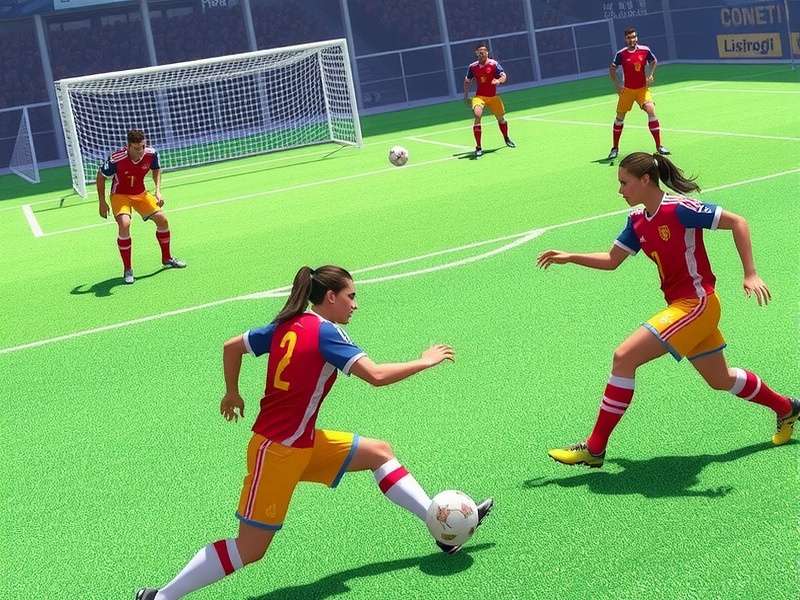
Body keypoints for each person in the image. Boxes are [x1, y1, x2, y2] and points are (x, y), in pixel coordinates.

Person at [136, 265, 493, 600]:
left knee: (379, 452)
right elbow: (377, 376)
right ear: (331, 297)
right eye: (351, 296)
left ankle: (440, 526)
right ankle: (162, 596)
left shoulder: (287, 323)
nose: (355, 304)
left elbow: (232, 347)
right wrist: (424, 360)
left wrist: (232, 391)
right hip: (277, 454)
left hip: (301, 443)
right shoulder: (326, 332)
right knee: (250, 549)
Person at [538, 152, 798, 468]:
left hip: (698, 304)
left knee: (624, 357)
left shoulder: (681, 209)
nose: (620, 190)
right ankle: (788, 407)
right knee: (720, 379)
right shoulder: (636, 220)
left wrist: (750, 273)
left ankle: (594, 448)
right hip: (683, 307)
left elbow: (737, 222)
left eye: (624, 183)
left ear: (646, 180)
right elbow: (612, 260)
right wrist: (570, 256)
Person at [96, 129, 186, 284]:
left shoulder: (151, 154)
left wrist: (158, 191)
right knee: (124, 224)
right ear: (128, 146)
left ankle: (167, 258)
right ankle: (128, 269)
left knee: (162, 220)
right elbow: (100, 176)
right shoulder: (116, 158)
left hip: (141, 193)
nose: (141, 151)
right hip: (120, 195)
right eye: (137, 148)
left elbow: (156, 169)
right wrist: (102, 202)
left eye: (143, 147)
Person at [607, 27, 669, 160]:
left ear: (637, 37)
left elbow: (654, 61)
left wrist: (650, 75)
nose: (632, 40)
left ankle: (659, 146)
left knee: (651, 110)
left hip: (642, 89)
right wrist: (617, 85)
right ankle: (615, 148)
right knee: (619, 118)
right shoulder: (621, 54)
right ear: (625, 39)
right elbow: (612, 69)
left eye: (634, 37)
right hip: (627, 90)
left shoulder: (645, 50)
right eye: (629, 38)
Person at [464, 42, 515, 158]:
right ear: (476, 54)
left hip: (493, 97)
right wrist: (466, 95)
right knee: (477, 115)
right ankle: (478, 147)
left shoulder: (493, 64)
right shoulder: (472, 67)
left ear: (487, 53)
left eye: (483, 52)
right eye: (479, 52)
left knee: (501, 119)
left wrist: (498, 81)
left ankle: (506, 138)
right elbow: (467, 80)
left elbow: (503, 75)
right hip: (479, 97)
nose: (481, 54)